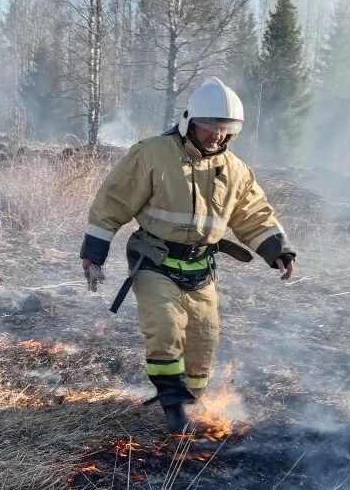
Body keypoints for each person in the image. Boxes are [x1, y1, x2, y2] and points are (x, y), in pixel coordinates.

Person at [79, 77, 296, 433]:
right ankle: (172, 404)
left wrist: (277, 250)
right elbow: (113, 202)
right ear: (190, 120)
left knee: (204, 342)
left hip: (200, 268)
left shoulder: (236, 170)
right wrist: (94, 252)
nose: (218, 136)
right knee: (165, 330)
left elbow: (253, 213)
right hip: (154, 262)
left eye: (226, 129)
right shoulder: (152, 154)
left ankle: (188, 401)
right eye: (211, 126)